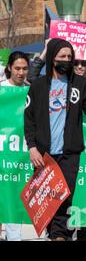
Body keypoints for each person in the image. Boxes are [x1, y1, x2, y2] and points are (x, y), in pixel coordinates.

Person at [24, 38, 86, 241]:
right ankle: (57, 235)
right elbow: (29, 119)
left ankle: (59, 236)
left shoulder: (79, 83)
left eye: (70, 56)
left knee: (64, 196)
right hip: (44, 154)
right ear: (52, 58)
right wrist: (32, 147)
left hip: (69, 154)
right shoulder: (39, 86)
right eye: (62, 56)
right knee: (48, 199)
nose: (67, 60)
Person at [0, 51, 31, 241]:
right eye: (17, 68)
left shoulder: (31, 92)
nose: (21, 72)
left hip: (19, 157)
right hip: (2, 154)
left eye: (25, 68)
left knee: (13, 203)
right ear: (10, 68)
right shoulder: (1, 90)